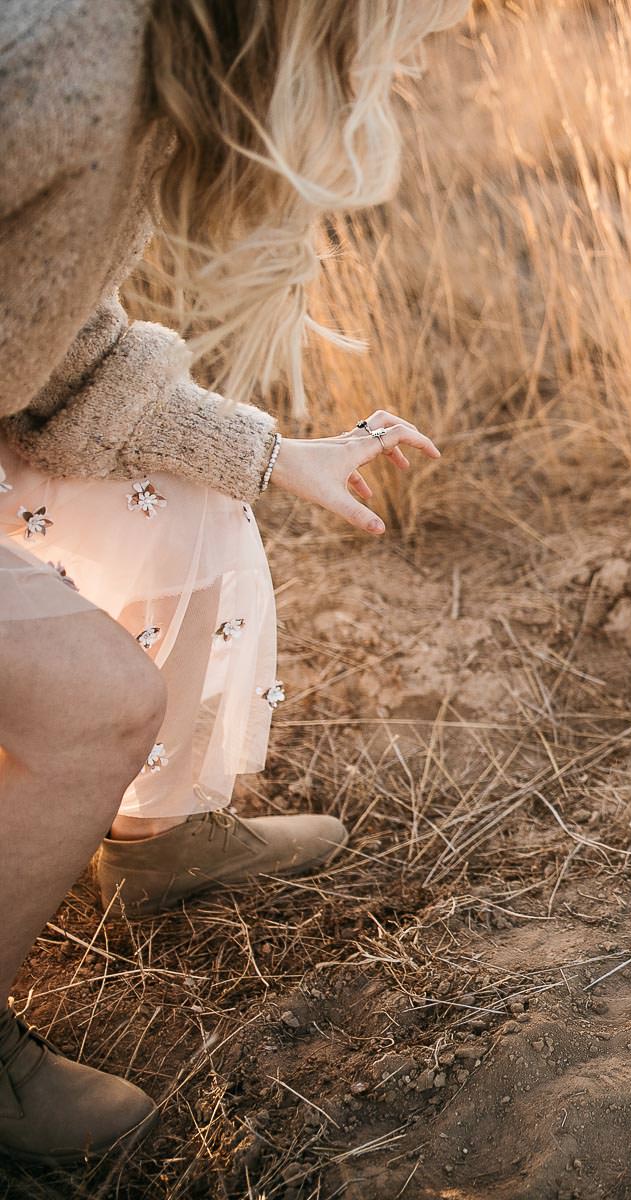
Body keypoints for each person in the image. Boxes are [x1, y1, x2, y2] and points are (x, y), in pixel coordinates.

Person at [0, 0, 466, 1165]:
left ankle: (156, 838)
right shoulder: (60, 64)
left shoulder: (138, 69)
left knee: (200, 495)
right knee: (91, 701)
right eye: (402, 35)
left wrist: (277, 457)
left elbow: (65, 363)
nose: (413, 59)